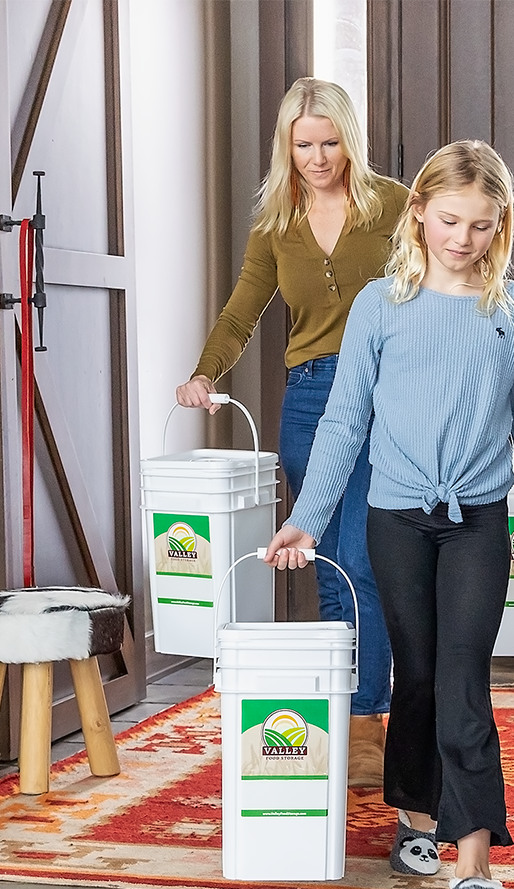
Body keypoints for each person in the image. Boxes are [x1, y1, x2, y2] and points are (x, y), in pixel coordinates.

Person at [262, 140, 514, 889]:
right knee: (420, 675)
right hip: (394, 520)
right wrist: (306, 518)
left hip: (478, 527)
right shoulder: (380, 305)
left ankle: (475, 862)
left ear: (501, 226)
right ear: (419, 215)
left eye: (480, 226)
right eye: (449, 221)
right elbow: (342, 426)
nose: (463, 241)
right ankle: (412, 810)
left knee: (465, 683)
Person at [175, 78, 407, 787]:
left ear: (350, 138)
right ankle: (348, 716)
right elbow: (242, 311)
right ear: (287, 146)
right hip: (309, 399)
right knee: (328, 559)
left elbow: (438, 283)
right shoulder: (277, 225)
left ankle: (372, 722)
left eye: (330, 141)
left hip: (382, 394)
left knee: (365, 559)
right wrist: (204, 374)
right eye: (303, 144)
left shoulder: (396, 205)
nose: (317, 156)